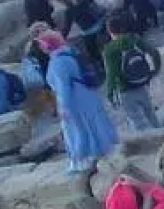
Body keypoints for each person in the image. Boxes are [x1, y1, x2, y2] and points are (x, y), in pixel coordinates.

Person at [42, 28, 117, 171]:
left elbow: (63, 87)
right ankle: (104, 152)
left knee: (76, 129)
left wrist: (64, 107)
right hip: (87, 94)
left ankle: (81, 160)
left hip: (75, 99)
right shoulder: (72, 53)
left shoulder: (57, 63)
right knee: (96, 124)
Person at [103, 12, 163, 130]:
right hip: (142, 83)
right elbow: (154, 52)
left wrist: (110, 93)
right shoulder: (134, 39)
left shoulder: (109, 49)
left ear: (109, 31)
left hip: (125, 89)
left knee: (136, 121)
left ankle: (148, 144)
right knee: (151, 115)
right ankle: (162, 135)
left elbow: (111, 73)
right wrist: (155, 70)